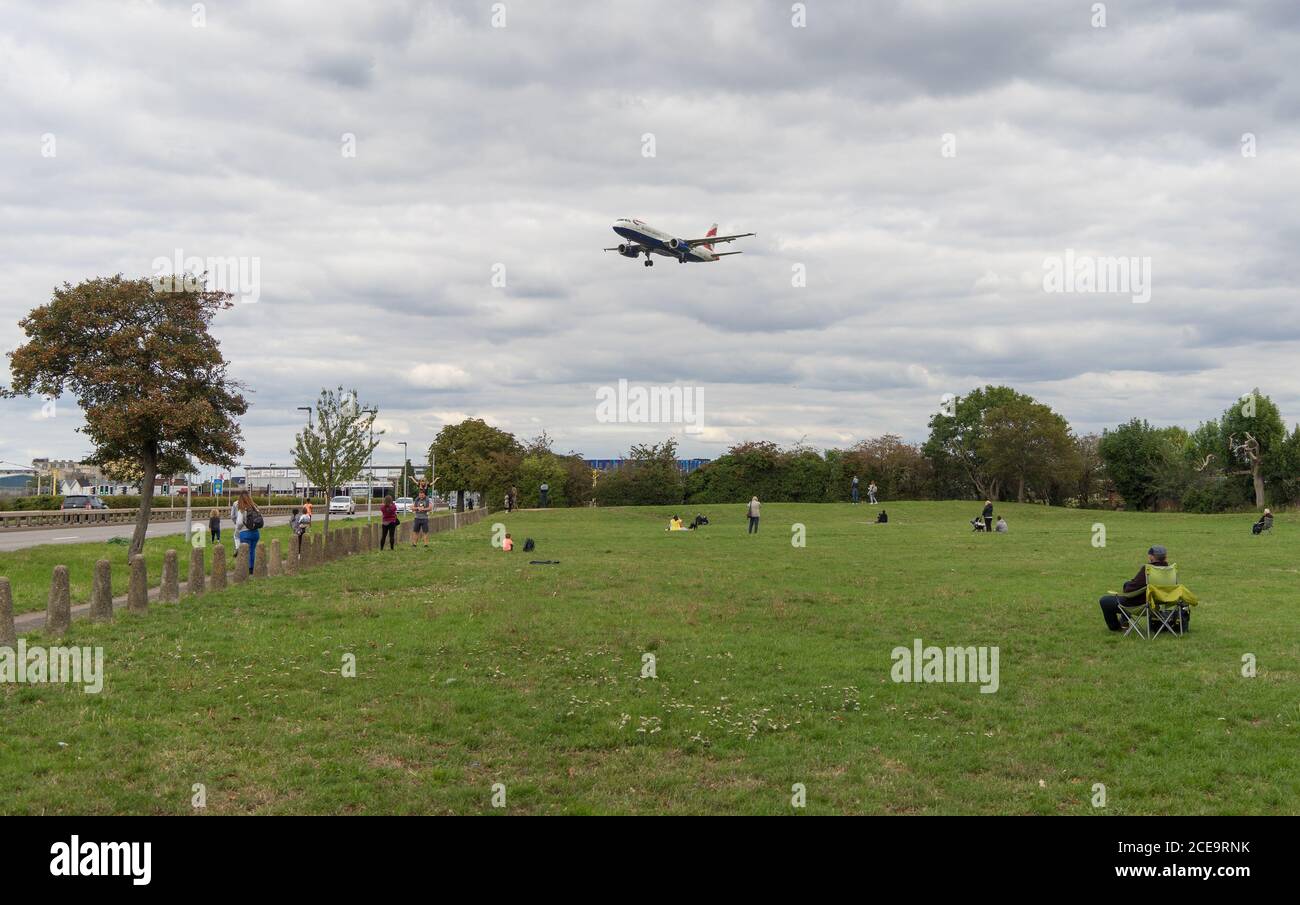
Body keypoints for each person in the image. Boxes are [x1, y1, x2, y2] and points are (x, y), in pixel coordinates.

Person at [1098, 545, 1188, 632]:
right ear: (1165, 557)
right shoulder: (1170, 570)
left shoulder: (1148, 570)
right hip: (1158, 602)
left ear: (1151, 556)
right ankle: (1124, 620)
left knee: (1105, 601)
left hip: (1142, 605)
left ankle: (1116, 628)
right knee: (1127, 584)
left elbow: (1129, 591)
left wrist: (1128, 585)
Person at [234, 490, 261, 574]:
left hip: (245, 533)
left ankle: (244, 567)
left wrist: (238, 529)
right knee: (252, 550)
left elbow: (239, 523)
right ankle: (251, 569)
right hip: (255, 533)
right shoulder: (255, 507)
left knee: (244, 550)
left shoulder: (242, 509)